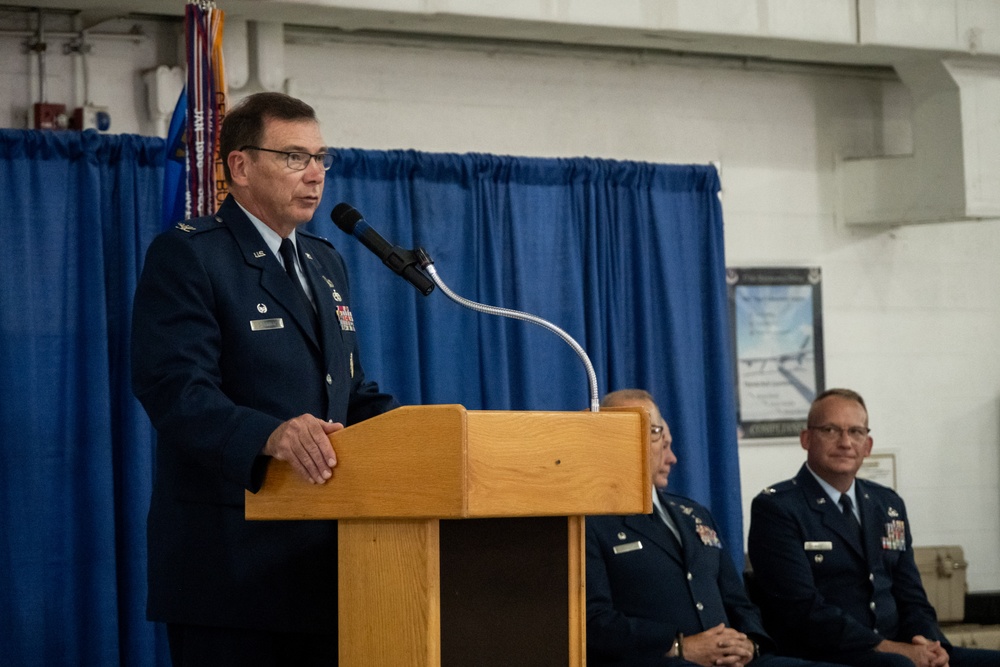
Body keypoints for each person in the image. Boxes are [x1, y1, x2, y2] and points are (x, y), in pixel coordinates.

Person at [131, 92, 398, 666]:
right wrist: (269, 436)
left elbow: (348, 392)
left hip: (327, 569)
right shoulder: (190, 255)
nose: (316, 173)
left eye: (322, 157)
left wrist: (428, 432)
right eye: (295, 157)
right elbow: (175, 389)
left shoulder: (325, 261)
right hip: (231, 572)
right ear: (240, 167)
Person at [586, 389, 843, 667]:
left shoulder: (694, 514)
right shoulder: (589, 520)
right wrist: (677, 646)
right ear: (607, 439)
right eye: (653, 433)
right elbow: (592, 620)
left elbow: (738, 601)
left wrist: (749, 642)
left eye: (656, 432)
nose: (668, 454)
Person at [748, 388, 1000, 667]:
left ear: (867, 445)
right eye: (831, 430)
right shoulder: (777, 508)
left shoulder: (887, 504)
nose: (845, 442)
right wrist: (889, 648)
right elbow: (801, 610)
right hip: (829, 654)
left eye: (856, 432)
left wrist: (928, 643)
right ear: (806, 439)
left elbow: (911, 595)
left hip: (900, 648)